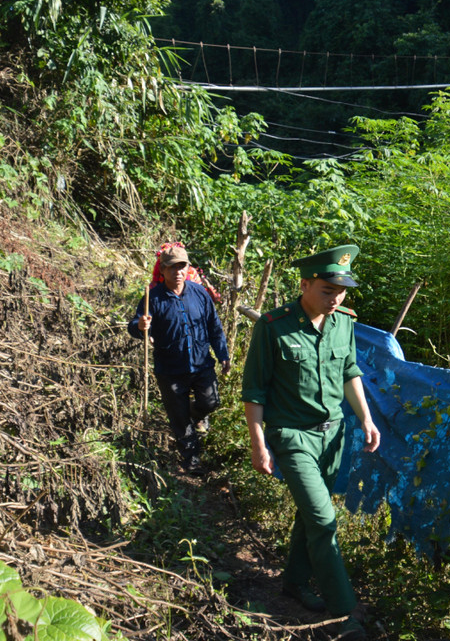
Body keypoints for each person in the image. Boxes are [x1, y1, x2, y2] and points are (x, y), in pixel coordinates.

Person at [241, 245, 381, 640]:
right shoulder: (273, 326)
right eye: (326, 289)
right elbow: (254, 390)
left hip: (333, 434)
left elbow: (351, 371)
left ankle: (294, 583)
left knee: (310, 514)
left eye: (341, 291)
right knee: (323, 519)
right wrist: (258, 443)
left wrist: (367, 419)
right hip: (292, 435)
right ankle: (345, 611)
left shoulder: (344, 323)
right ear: (304, 284)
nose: (335, 298)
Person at [128, 243, 231, 473]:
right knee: (179, 418)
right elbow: (135, 326)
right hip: (170, 368)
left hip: (202, 363)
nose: (178, 272)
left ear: (187, 268)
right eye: (172, 267)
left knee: (210, 401)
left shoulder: (199, 294)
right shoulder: (152, 298)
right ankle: (191, 461)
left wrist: (223, 354)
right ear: (163, 270)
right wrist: (141, 326)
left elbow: (214, 326)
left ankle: (196, 415)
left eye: (182, 266)